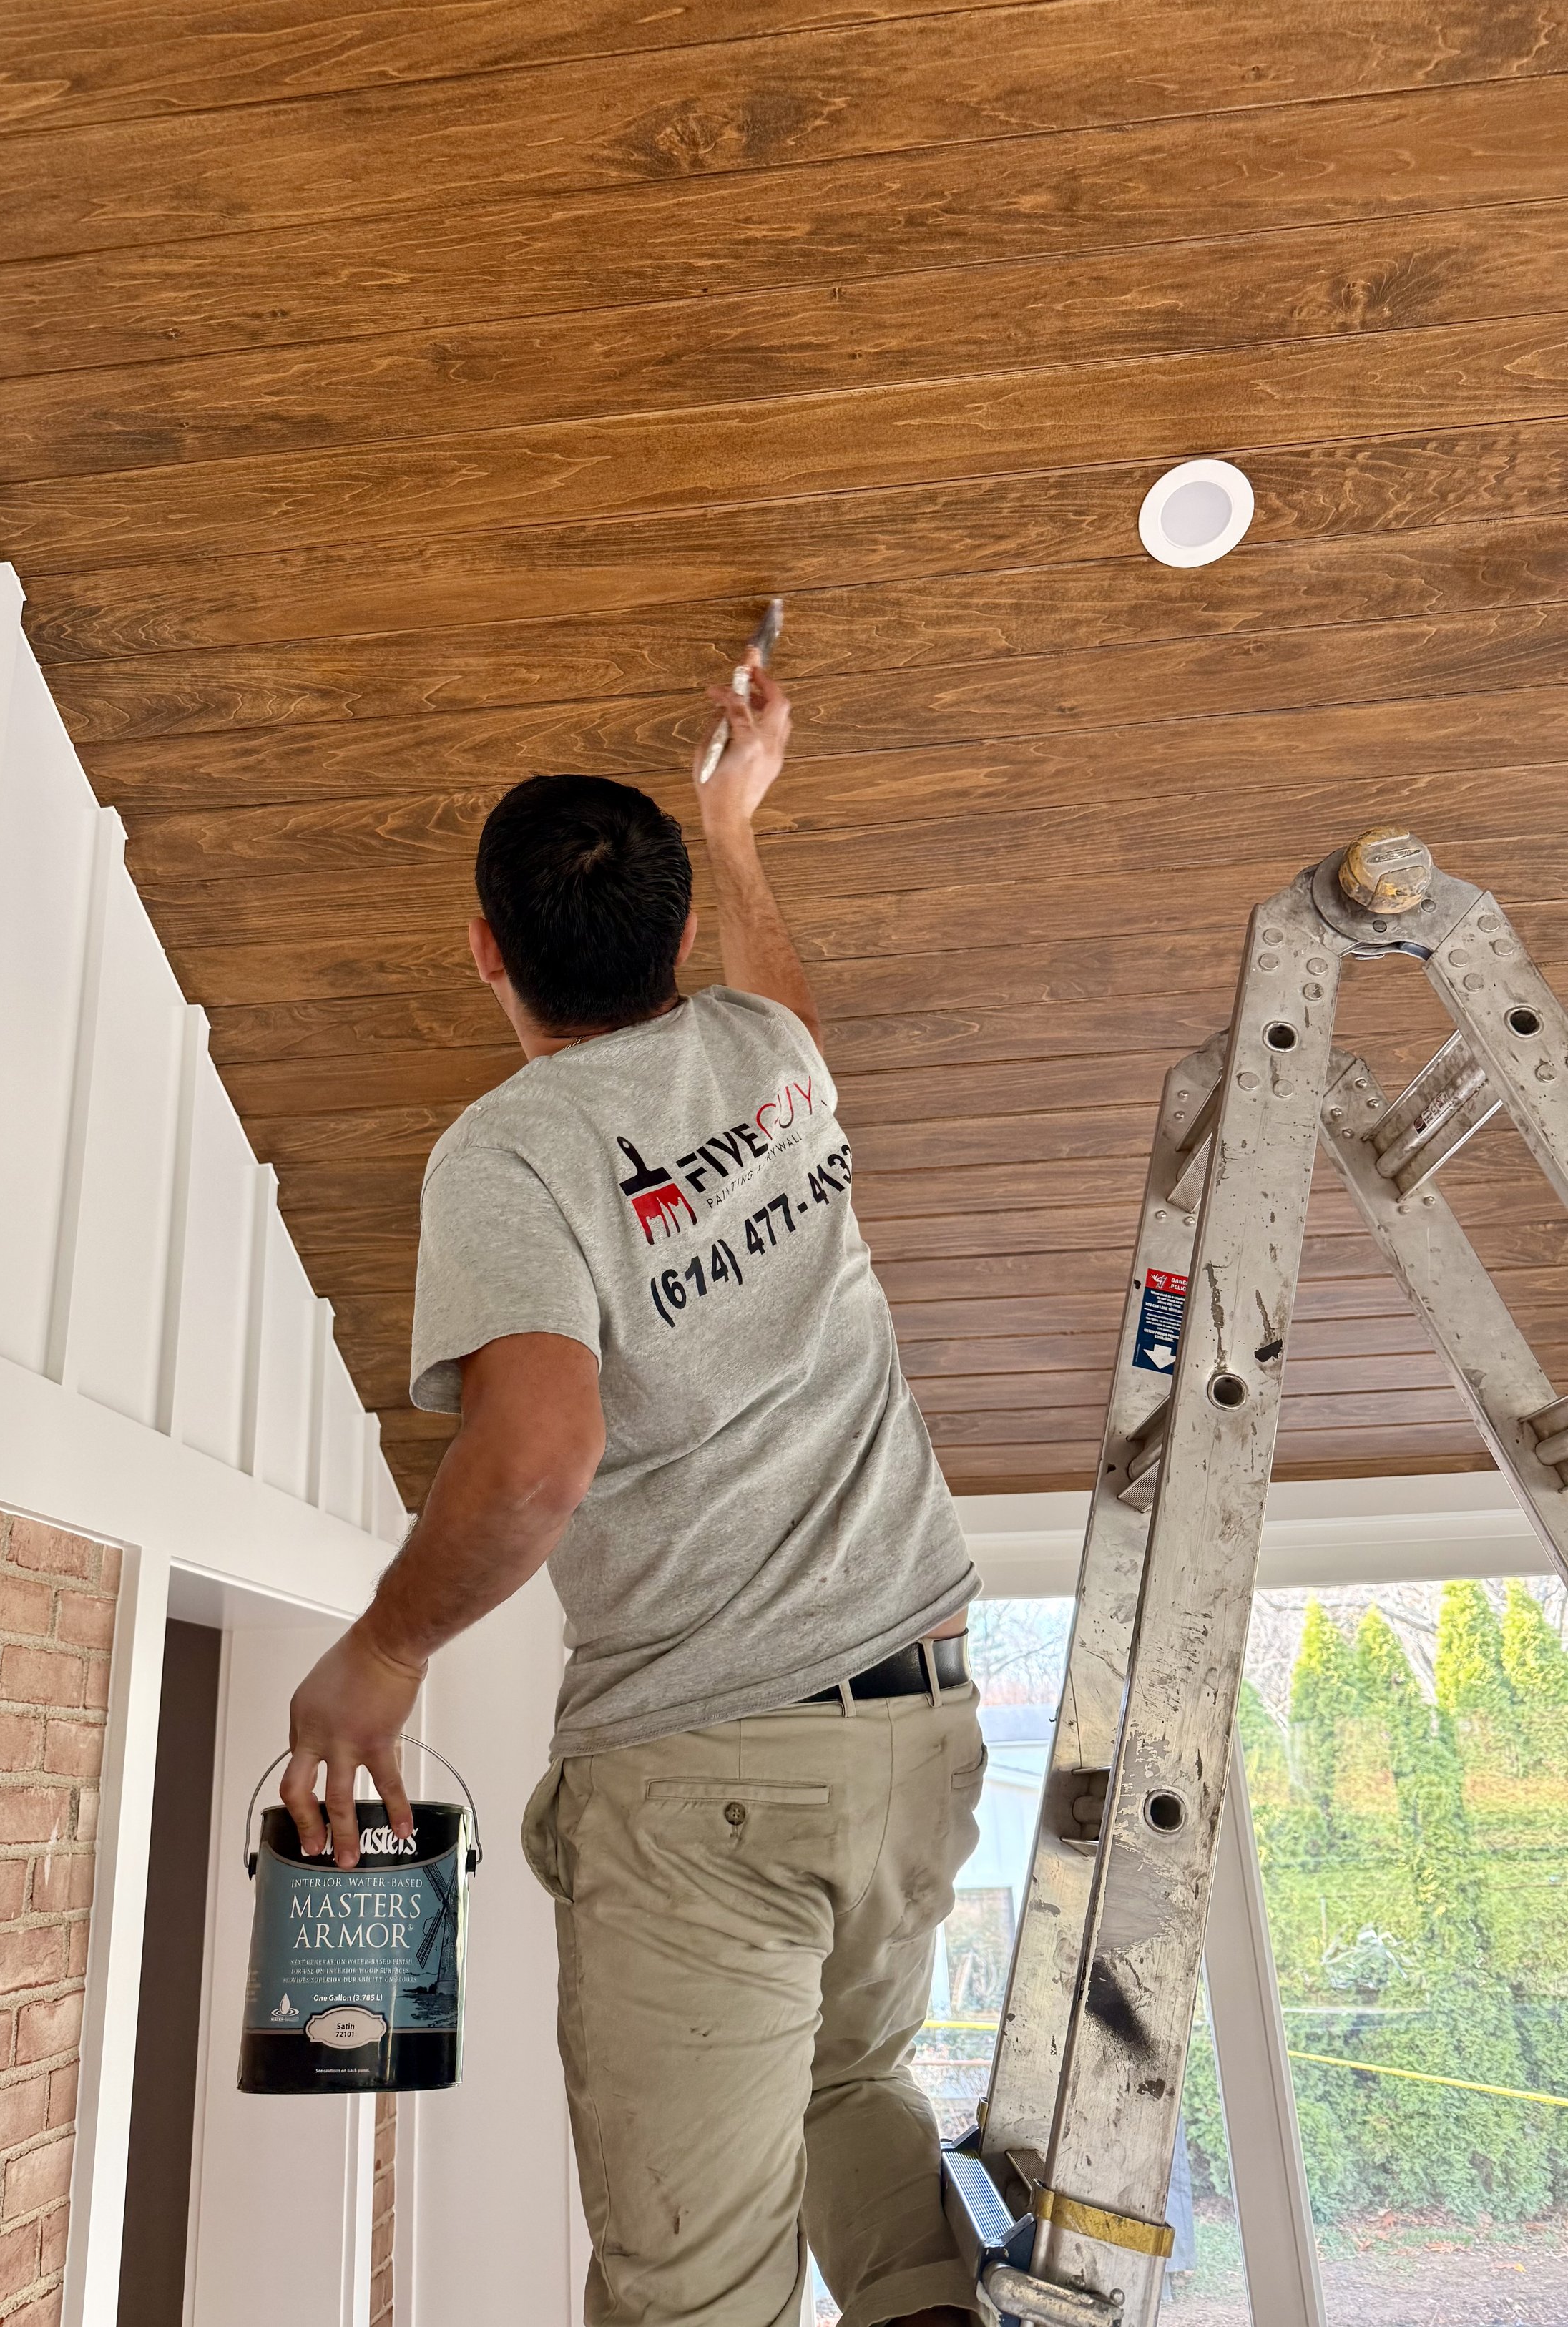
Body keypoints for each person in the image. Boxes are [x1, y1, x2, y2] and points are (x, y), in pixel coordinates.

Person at [285, 653, 986, 2327]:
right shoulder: (766, 1058)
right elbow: (780, 998)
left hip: (712, 1774)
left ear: (485, 953)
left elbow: (535, 1456)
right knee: (853, 2089)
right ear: (672, 943)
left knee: (692, 2293)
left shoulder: (512, 1151)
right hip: (919, 1728)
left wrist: (382, 1648)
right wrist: (731, 820)